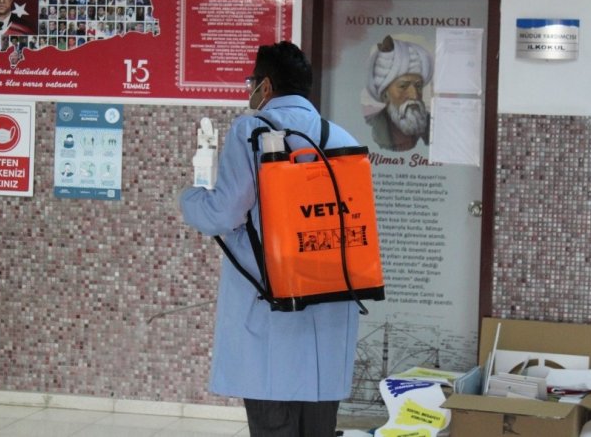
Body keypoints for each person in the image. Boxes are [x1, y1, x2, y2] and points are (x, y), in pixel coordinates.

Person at [179, 42, 362, 437]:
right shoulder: (343, 138)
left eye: (252, 82)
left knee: (273, 423)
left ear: (265, 85)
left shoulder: (253, 131)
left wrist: (190, 199)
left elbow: (224, 213)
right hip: (331, 307)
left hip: (271, 308)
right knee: (317, 428)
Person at [364, 35, 433, 152]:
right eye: (403, 86)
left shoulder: (432, 125)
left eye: (418, 86)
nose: (414, 95)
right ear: (385, 94)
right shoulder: (372, 125)